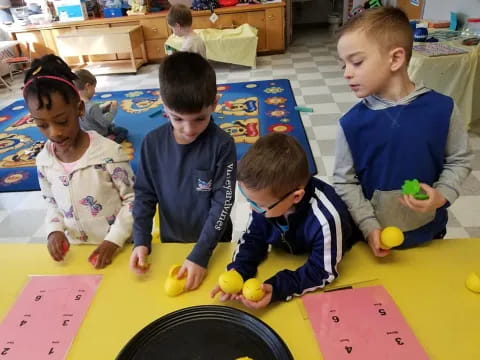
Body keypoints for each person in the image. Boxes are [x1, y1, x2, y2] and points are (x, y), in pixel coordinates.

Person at [333, 7, 472, 257]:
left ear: (395, 59)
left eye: (356, 62)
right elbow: (345, 181)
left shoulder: (443, 109)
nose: (346, 73)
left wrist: (442, 195)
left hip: (431, 231)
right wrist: (368, 226)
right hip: (372, 237)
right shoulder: (350, 124)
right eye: (343, 64)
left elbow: (459, 160)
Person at [211, 133, 358, 309]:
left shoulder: (328, 219)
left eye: (260, 205)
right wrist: (239, 270)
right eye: (249, 201)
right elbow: (253, 239)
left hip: (329, 251)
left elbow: (322, 271)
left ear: (296, 197)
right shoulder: (266, 200)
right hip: (285, 252)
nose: (252, 209)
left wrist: (277, 288)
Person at [129, 52, 236, 291]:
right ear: (163, 104)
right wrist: (141, 240)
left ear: (214, 104)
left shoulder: (223, 144)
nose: (189, 129)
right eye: (177, 119)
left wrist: (201, 253)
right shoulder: (151, 143)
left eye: (200, 119)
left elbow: (223, 202)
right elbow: (145, 196)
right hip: (171, 241)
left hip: (214, 244)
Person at [25, 55, 135, 269]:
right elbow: (51, 202)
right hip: (78, 254)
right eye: (42, 125)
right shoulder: (44, 161)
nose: (54, 132)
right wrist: (54, 230)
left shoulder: (109, 153)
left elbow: (133, 200)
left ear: (79, 109)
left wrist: (114, 240)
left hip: (119, 247)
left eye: (62, 121)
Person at [73, 69, 128, 143]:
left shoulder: (74, 103)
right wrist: (113, 110)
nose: (94, 91)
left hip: (87, 135)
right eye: (94, 87)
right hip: (100, 135)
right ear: (88, 86)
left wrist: (104, 108)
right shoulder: (92, 106)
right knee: (123, 131)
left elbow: (90, 115)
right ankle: (111, 142)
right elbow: (105, 123)